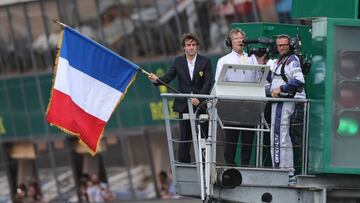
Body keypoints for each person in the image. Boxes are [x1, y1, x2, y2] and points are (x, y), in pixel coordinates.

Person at [148, 33, 213, 163]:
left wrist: (199, 99)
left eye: (193, 45)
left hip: (201, 107)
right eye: (188, 45)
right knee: (185, 137)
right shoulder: (178, 61)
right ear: (184, 47)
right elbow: (168, 77)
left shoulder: (205, 61)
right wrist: (157, 80)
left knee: (203, 137)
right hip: (184, 106)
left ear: (197, 47)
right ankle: (184, 164)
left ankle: (205, 164)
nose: (191, 48)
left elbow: (208, 83)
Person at [215, 28, 262, 166]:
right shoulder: (223, 60)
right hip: (232, 104)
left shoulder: (252, 58)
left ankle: (246, 164)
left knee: (248, 137)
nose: (239, 41)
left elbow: (259, 77)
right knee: (231, 137)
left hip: (250, 103)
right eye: (236, 38)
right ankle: (230, 164)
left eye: (241, 38)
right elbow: (219, 82)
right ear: (230, 42)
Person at [269, 34, 305, 177]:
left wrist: (281, 89)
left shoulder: (292, 60)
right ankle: (287, 171)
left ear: (289, 45)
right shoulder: (279, 61)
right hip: (280, 102)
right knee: (283, 137)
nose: (282, 47)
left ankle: (279, 172)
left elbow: (299, 80)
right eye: (280, 45)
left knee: (278, 136)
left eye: (285, 45)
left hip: (284, 102)